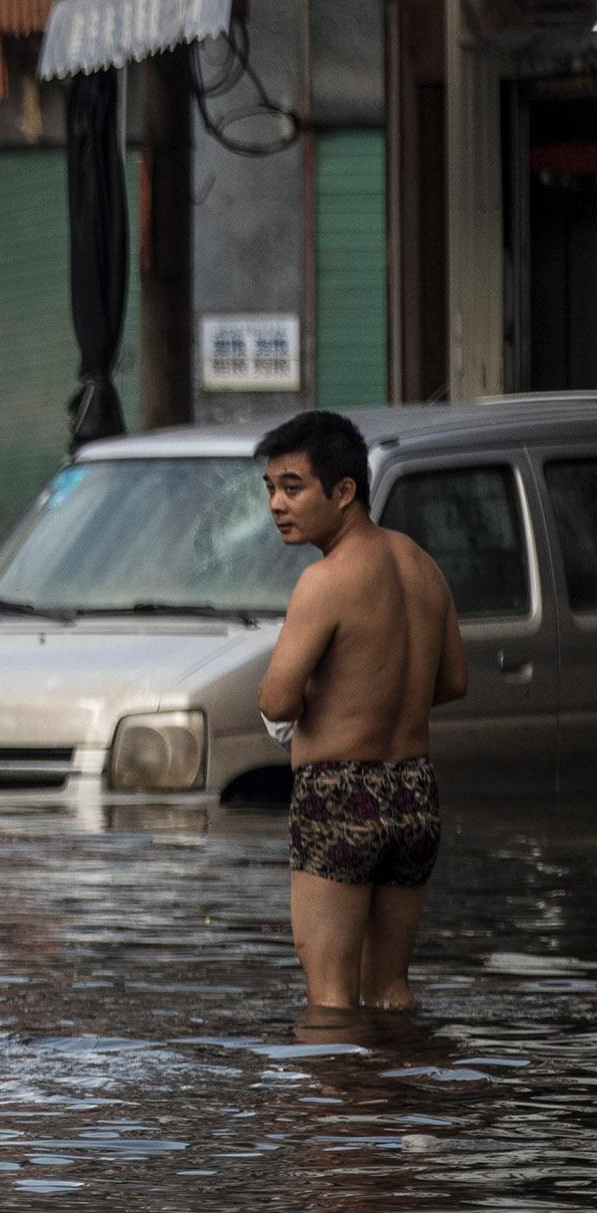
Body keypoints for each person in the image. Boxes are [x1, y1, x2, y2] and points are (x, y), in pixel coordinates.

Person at [255, 408, 464, 1012]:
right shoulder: (423, 567)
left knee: (331, 998)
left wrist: (326, 700)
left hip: (339, 791)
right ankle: (400, 1102)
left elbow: (276, 698)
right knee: (390, 989)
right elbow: (452, 680)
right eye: (271, 488)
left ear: (344, 491)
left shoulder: (325, 581)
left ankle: (334, 1111)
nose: (276, 504)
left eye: (293, 487)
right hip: (415, 792)